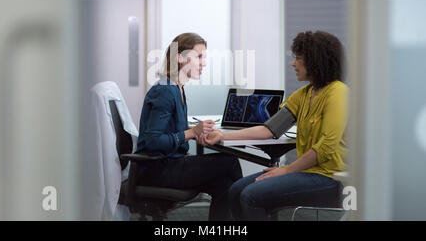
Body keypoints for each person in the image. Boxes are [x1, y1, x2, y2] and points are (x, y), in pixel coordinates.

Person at [199, 30, 348, 220]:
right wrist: (222, 135)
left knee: (251, 195)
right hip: (305, 173)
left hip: (330, 178)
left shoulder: (338, 93)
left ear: (315, 61)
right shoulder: (304, 94)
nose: (293, 63)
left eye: (298, 58)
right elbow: (269, 129)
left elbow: (325, 148)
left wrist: (286, 170)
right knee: (235, 190)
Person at [136, 32, 243, 221]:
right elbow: (152, 141)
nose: (204, 64)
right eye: (199, 57)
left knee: (224, 184)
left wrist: (196, 134)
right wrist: (191, 132)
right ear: (180, 58)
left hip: (170, 163)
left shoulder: (177, 88)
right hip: (157, 169)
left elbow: (173, 133)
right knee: (230, 162)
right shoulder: (165, 91)